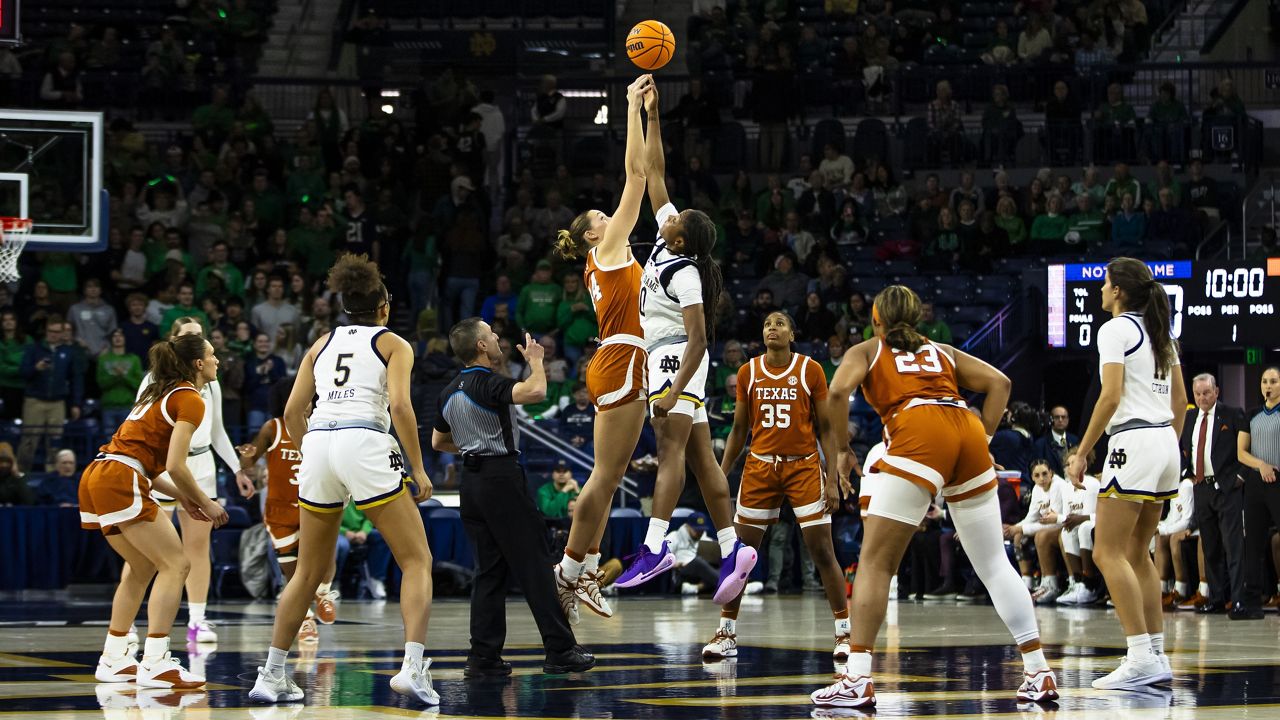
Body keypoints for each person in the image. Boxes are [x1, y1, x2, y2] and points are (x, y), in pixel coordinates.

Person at [812, 285, 1058, 708]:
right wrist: (983, 437)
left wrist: (840, 451)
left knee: (875, 561)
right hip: (964, 424)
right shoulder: (941, 350)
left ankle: (856, 677)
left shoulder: (868, 349)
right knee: (995, 564)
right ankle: (1038, 671)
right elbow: (1000, 382)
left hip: (918, 428)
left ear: (876, 318)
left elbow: (836, 393)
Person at [250, 254, 438, 705]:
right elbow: (401, 407)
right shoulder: (394, 343)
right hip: (364, 440)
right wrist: (418, 467)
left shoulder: (320, 343)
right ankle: (413, 669)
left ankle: (272, 674)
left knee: (308, 572)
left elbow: (293, 412)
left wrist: (313, 445)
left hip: (316, 445)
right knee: (416, 560)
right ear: (384, 307)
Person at [614, 79, 758, 605]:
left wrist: (673, 388)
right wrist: (653, 114)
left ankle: (655, 546)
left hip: (677, 355)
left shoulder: (689, 274)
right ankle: (734, 546)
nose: (671, 211)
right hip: (666, 356)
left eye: (678, 218)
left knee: (669, 445)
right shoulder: (664, 242)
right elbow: (654, 172)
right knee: (702, 459)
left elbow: (701, 336)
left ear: (683, 237)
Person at [546, 76, 657, 627]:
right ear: (594, 236)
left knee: (609, 478)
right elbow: (637, 176)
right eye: (599, 218)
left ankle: (584, 568)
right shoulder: (610, 250)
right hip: (619, 358)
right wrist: (633, 106)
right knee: (602, 478)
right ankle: (568, 572)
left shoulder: (611, 254)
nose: (608, 218)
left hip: (620, 357)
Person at [433, 319, 595, 676]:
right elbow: (535, 393)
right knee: (535, 564)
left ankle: (483, 657)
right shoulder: (488, 383)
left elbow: (438, 442)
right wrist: (536, 361)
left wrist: (472, 444)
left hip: (470, 485)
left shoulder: (448, 391)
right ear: (479, 346)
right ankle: (560, 650)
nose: (496, 339)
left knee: (488, 571)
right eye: (491, 335)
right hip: (501, 478)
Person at [83, 333, 229, 688]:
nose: (217, 361)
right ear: (198, 363)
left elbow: (152, 467)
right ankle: (155, 661)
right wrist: (206, 501)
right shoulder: (190, 398)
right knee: (177, 564)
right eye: (212, 355)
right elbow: (177, 465)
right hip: (121, 476)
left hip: (101, 473)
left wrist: (188, 500)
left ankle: (114, 657)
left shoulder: (158, 392)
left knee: (143, 565)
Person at [1066, 257, 1186, 689]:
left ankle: (1139, 655)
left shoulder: (1114, 330)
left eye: (1104, 283)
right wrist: (1165, 443)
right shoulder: (1161, 334)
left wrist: (1082, 452)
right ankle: (1155, 653)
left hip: (1133, 440)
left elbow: (1110, 396)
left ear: (1118, 291)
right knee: (1138, 552)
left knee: (1106, 552)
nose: (1100, 289)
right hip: (1164, 442)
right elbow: (1180, 404)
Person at [708, 311, 852, 660]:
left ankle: (844, 633)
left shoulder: (810, 370)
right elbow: (739, 430)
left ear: (792, 333)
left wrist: (831, 478)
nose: (772, 327)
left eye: (780, 323)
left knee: (821, 550)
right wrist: (720, 473)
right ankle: (726, 632)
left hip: (803, 466)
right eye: (767, 323)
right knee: (742, 554)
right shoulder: (748, 372)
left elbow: (827, 430)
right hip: (760, 466)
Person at [135, 317, 248, 644]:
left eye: (201, 336)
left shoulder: (210, 382)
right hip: (167, 467)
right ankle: (134, 622)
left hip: (201, 464)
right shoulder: (154, 380)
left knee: (198, 549)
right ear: (176, 344)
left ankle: (198, 621)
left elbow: (217, 431)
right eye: (190, 338)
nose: (200, 343)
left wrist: (238, 468)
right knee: (151, 552)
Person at [236, 377, 339, 644]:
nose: (308, 402)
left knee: (327, 553)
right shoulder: (273, 428)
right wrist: (246, 456)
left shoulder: (321, 425)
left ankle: (324, 593)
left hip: (313, 503)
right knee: (292, 572)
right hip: (280, 511)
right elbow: (250, 458)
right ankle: (305, 618)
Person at [1179, 373, 1246, 613]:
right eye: (1197, 394)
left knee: (1233, 545)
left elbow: (1246, 447)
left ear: (1216, 392)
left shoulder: (1232, 413)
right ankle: (1217, 599)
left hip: (1227, 489)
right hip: (1202, 488)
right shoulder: (1189, 417)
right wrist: (1186, 471)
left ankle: (1237, 599)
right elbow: (1184, 447)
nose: (1202, 398)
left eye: (1206, 393)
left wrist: (1240, 476)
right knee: (1211, 547)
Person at [1235, 366, 1280, 620]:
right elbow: (1241, 452)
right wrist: (1260, 465)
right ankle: (1251, 602)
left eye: (1273, 381)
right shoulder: (1251, 414)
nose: (1268, 386)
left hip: (1279, 479)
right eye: (1265, 381)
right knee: (1252, 544)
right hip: (1256, 483)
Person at [18, 318, 86, 472]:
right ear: (45, 331)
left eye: (57, 332)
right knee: (29, 440)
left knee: (55, 442)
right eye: (51, 331)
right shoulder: (34, 349)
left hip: (57, 403)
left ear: (62, 333)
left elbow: (76, 378)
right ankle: (21, 474)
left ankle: (53, 475)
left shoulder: (68, 352)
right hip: (34, 401)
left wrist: (76, 403)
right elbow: (22, 372)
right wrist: (36, 368)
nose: (53, 335)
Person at [1004, 459, 1070, 603]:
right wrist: (1013, 529)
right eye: (1037, 475)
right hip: (1049, 527)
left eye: (1045, 474)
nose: (1041, 479)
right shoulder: (1036, 488)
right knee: (1019, 536)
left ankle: (1050, 585)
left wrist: (1021, 528)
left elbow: (1055, 522)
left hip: (1064, 525)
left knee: (1041, 536)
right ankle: (1026, 583)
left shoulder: (1059, 486)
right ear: (1032, 477)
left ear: (1051, 473)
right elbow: (1030, 517)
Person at [1056, 447, 1103, 606]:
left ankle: (1089, 584)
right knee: (1066, 532)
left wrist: (1076, 519)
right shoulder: (1066, 486)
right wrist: (1066, 520)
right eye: (1068, 464)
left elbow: (1091, 515)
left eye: (1074, 463)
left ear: (1084, 465)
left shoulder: (1092, 483)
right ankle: (1077, 582)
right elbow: (1067, 515)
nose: (1071, 467)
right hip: (1079, 522)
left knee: (1084, 528)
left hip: (1097, 523)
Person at [1034, 406, 1080, 478]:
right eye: (1057, 417)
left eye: (1063, 417)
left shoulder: (1074, 440)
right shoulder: (1041, 444)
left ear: (1068, 419)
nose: (1060, 420)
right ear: (1051, 419)